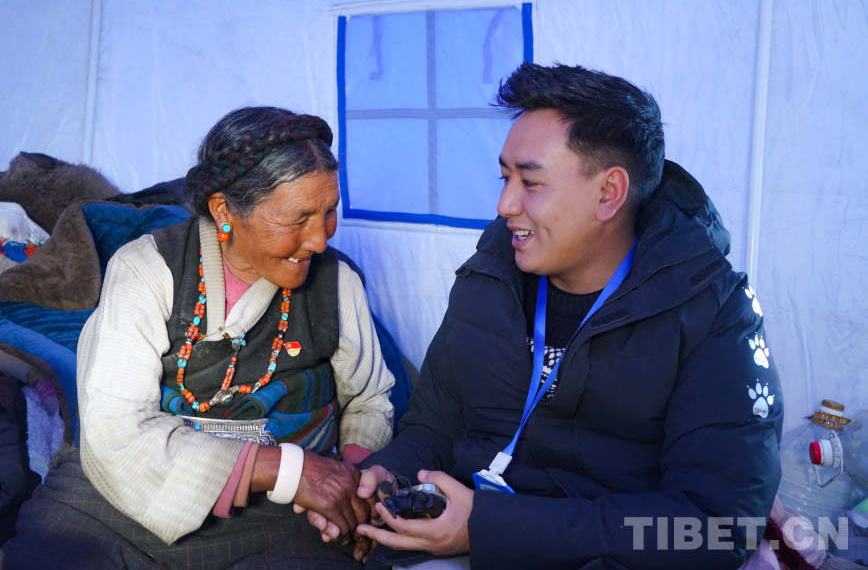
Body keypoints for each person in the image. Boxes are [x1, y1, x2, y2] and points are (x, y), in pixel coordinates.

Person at [307, 64, 783, 569]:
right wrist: (385, 478)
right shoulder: (489, 277)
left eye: (530, 182)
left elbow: (714, 527)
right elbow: (434, 428)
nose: (504, 204)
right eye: (505, 177)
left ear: (609, 193)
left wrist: (489, 528)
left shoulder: (713, 311)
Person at [4, 107, 395, 569]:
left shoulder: (336, 282)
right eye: (298, 218)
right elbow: (116, 429)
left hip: (284, 516)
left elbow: (368, 400)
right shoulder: (146, 269)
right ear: (224, 210)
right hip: (128, 493)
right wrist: (292, 471)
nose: (319, 240)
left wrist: (352, 484)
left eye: (329, 213)